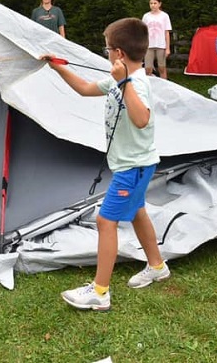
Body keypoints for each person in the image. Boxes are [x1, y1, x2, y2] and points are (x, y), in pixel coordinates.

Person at [43, 18, 169, 312]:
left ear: (120, 54)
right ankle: (157, 266)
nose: (106, 53)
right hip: (133, 164)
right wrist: (58, 67)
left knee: (105, 221)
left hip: (134, 166)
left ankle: (99, 292)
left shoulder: (136, 82)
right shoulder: (118, 80)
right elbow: (85, 89)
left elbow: (142, 119)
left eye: (108, 48)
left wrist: (123, 82)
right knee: (137, 213)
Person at [142, 0, 172, 79]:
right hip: (149, 46)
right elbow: (143, 32)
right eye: (151, 3)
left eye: (155, 3)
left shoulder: (164, 16)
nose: (153, 5)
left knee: (162, 68)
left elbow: (167, 33)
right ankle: (149, 86)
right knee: (148, 69)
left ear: (159, 4)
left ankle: (165, 85)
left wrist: (168, 48)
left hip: (161, 45)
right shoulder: (146, 16)